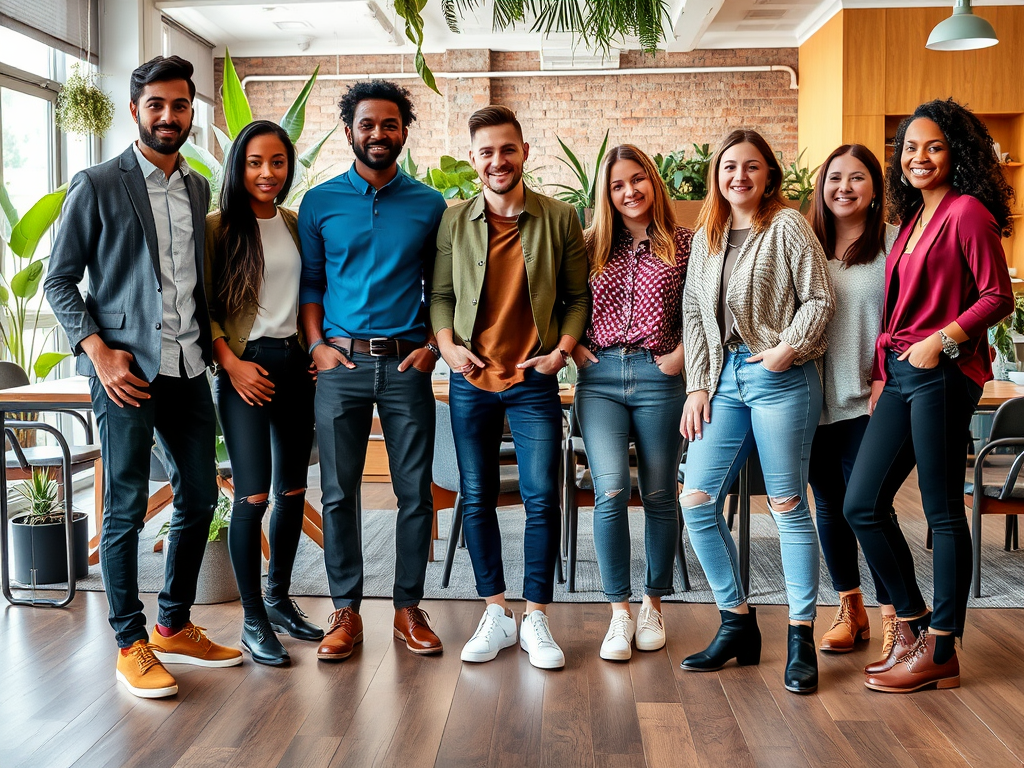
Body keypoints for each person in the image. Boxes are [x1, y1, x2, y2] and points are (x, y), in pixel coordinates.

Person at [45, 56, 242, 699]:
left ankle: (172, 625)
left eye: (179, 105)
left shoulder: (197, 187)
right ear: (134, 110)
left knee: (200, 496)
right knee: (126, 507)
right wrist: (99, 353)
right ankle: (129, 642)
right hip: (125, 372)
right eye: (155, 104)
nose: (168, 116)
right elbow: (59, 281)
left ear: (192, 111)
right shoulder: (97, 183)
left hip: (187, 368)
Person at [845, 98, 1014, 693]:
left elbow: (998, 297)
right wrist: (882, 373)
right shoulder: (914, 218)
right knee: (860, 503)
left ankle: (943, 647)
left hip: (942, 370)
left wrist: (940, 341)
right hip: (901, 373)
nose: (919, 157)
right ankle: (913, 624)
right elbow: (896, 309)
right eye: (909, 148)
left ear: (956, 152)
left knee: (941, 512)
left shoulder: (967, 212)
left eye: (933, 146)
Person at [431, 105, 589, 670]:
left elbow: (576, 297)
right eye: (486, 152)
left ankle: (537, 617)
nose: (498, 160)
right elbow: (441, 294)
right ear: (474, 160)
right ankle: (495, 611)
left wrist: (562, 352)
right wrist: (447, 347)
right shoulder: (453, 220)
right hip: (470, 378)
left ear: (524, 151)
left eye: (507, 149)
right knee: (475, 496)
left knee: (542, 496)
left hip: (533, 380)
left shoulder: (560, 218)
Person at [678, 129, 834, 694]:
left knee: (789, 504)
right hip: (722, 382)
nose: (738, 176)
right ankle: (737, 622)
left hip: (780, 376)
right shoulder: (707, 236)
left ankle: (800, 636)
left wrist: (789, 348)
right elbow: (695, 317)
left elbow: (820, 298)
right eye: (727, 167)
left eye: (750, 166)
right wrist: (698, 386)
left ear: (768, 173)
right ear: (716, 177)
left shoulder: (788, 225)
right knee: (695, 499)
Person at [299, 80, 448, 662]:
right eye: (367, 124)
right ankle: (345, 610)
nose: (378, 134)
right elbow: (312, 282)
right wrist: (315, 345)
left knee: (415, 492)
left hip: (408, 362)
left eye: (390, 124)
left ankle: (408, 608)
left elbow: (443, 287)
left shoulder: (431, 204)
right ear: (349, 132)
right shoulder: (320, 202)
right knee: (338, 494)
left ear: (404, 132)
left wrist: (434, 350)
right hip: (341, 364)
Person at [204, 120, 322, 666]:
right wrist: (230, 363)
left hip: (296, 367)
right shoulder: (216, 228)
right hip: (243, 370)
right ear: (238, 166)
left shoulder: (296, 224)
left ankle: (278, 600)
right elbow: (198, 305)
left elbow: (307, 295)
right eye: (255, 162)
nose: (267, 173)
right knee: (252, 494)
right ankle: (252, 617)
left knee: (293, 492)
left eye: (277, 162)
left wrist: (315, 350)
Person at [572, 144, 691, 661]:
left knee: (661, 493)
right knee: (611, 491)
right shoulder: (588, 243)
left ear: (653, 181)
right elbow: (557, 300)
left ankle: (653, 604)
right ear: (607, 193)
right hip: (599, 378)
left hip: (659, 373)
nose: (629, 192)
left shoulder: (685, 244)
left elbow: (705, 308)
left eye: (638, 180)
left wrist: (683, 355)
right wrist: (574, 349)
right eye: (618, 185)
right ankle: (618, 612)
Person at [807, 144, 899, 656]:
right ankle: (850, 607)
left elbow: (903, 321)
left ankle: (894, 617)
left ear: (874, 188)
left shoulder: (891, 244)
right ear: (821, 188)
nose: (844, 187)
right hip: (811, 403)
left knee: (872, 507)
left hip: (870, 400)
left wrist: (886, 379)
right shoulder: (805, 243)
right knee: (830, 508)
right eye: (834, 178)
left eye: (856, 178)